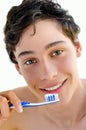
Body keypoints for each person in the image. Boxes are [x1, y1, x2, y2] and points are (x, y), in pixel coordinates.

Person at [0, 0, 86, 129]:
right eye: (30, 61)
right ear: (18, 67)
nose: (48, 74)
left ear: (77, 47)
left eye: (57, 52)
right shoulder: (10, 116)